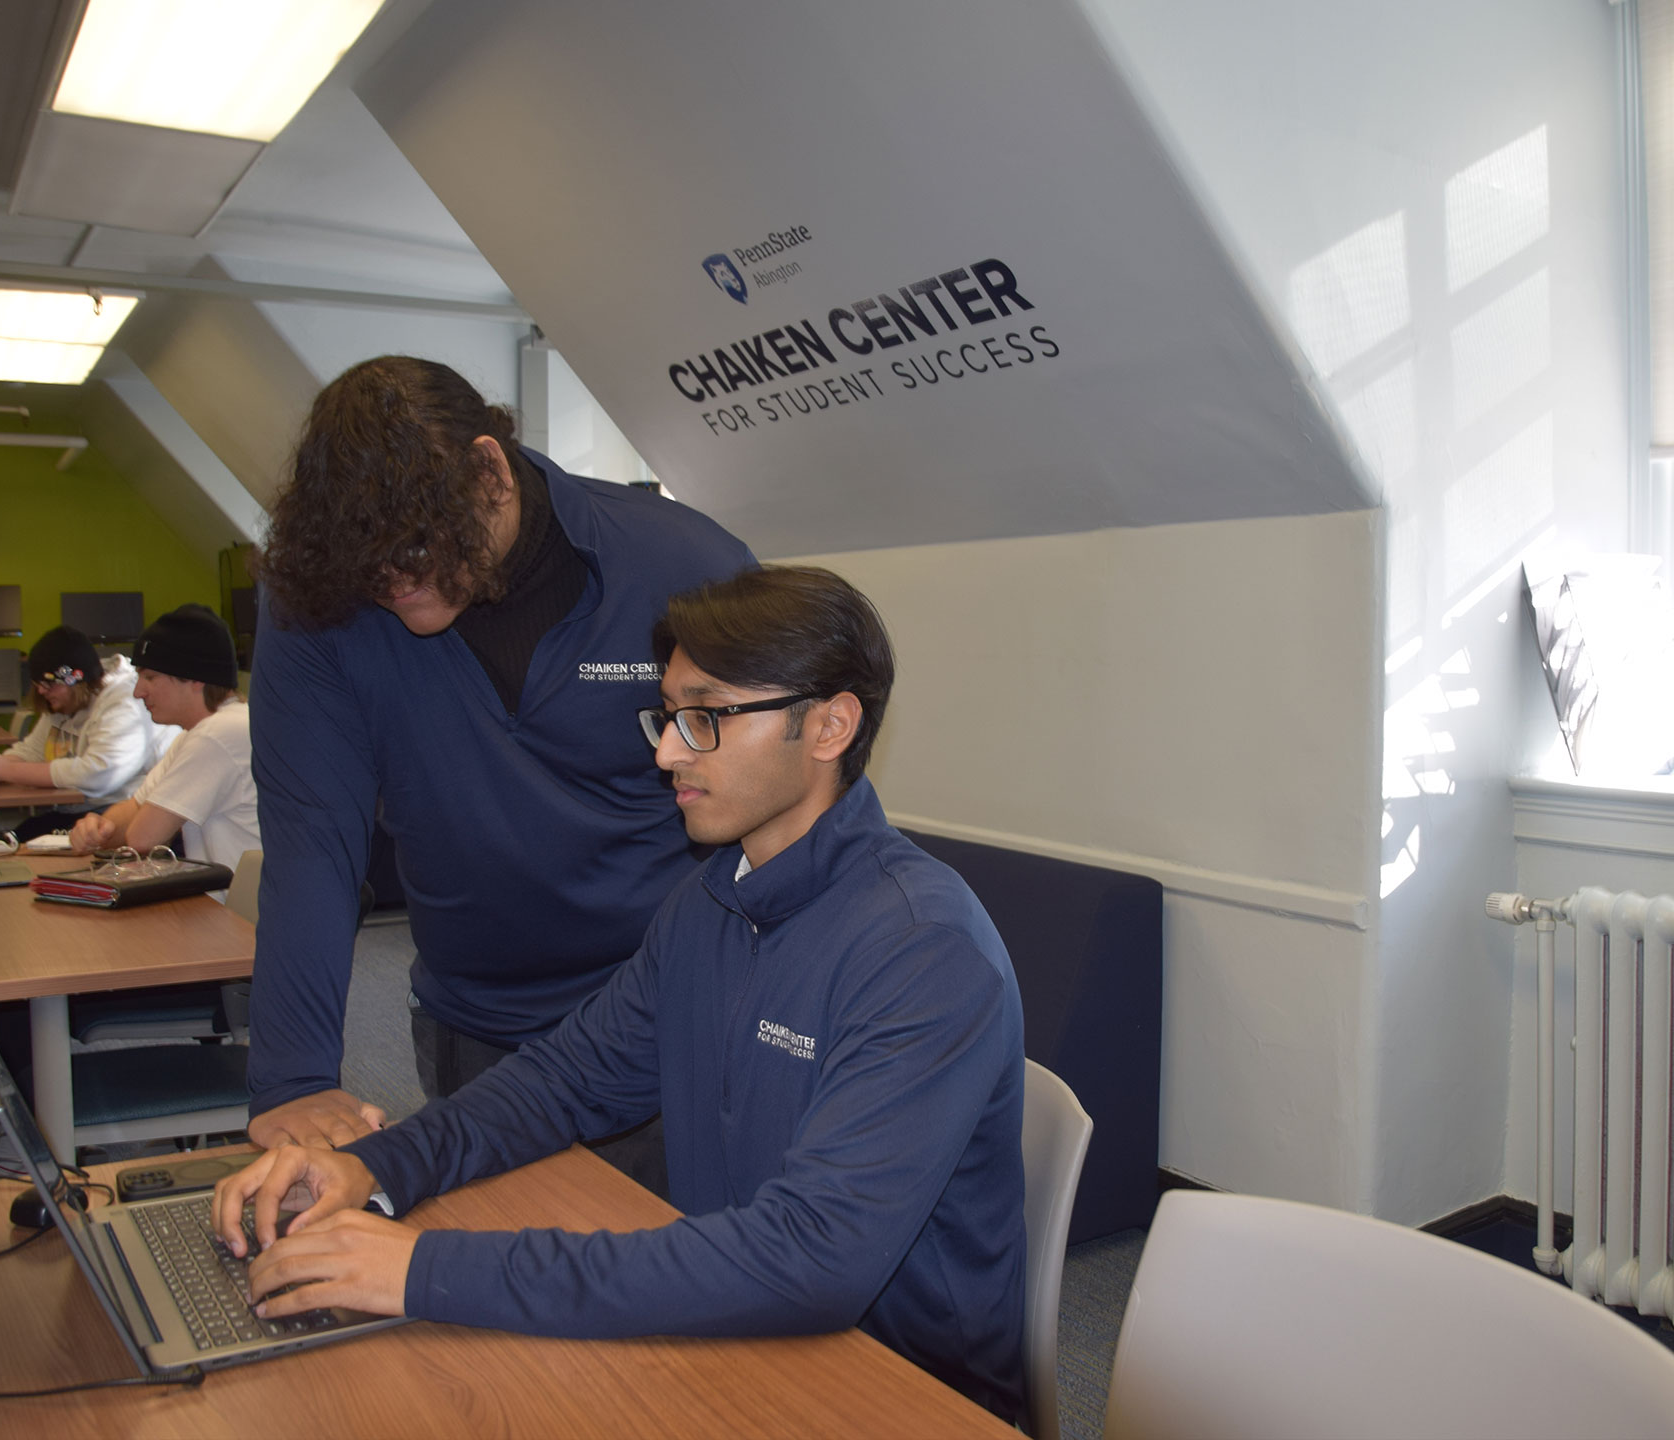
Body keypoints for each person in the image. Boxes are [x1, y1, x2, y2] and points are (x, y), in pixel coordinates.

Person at [213, 567, 1028, 1420]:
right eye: (670, 716)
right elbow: (564, 1083)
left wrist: (422, 1269)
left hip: (896, 1397)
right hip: (740, 1336)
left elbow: (811, 1261)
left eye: (706, 718)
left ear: (829, 725)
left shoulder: (921, 950)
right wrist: (367, 1170)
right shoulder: (713, 899)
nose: (667, 751)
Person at [245, 356, 754, 1186]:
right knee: (490, 1294)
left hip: (673, 1019)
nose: (392, 583)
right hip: (478, 1023)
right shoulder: (319, 596)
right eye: (366, 566)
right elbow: (311, 842)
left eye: (411, 547)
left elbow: (785, 798)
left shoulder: (680, 563)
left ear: (489, 471)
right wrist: (295, 1078)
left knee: (681, 1298)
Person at [66, 603, 258, 883]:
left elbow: (141, 838)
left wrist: (114, 830)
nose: (138, 691)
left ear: (193, 679)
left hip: (237, 919)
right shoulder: (194, 735)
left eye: (150, 677)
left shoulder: (219, 734)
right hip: (222, 908)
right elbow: (131, 811)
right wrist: (97, 829)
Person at [0, 625, 175, 839]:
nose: (42, 691)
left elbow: (98, 774)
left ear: (76, 682)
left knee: (17, 845)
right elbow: (33, 750)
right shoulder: (64, 699)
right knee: (13, 839)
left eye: (48, 684)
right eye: (37, 684)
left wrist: (6, 771)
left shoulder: (126, 703)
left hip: (124, 813)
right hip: (79, 810)